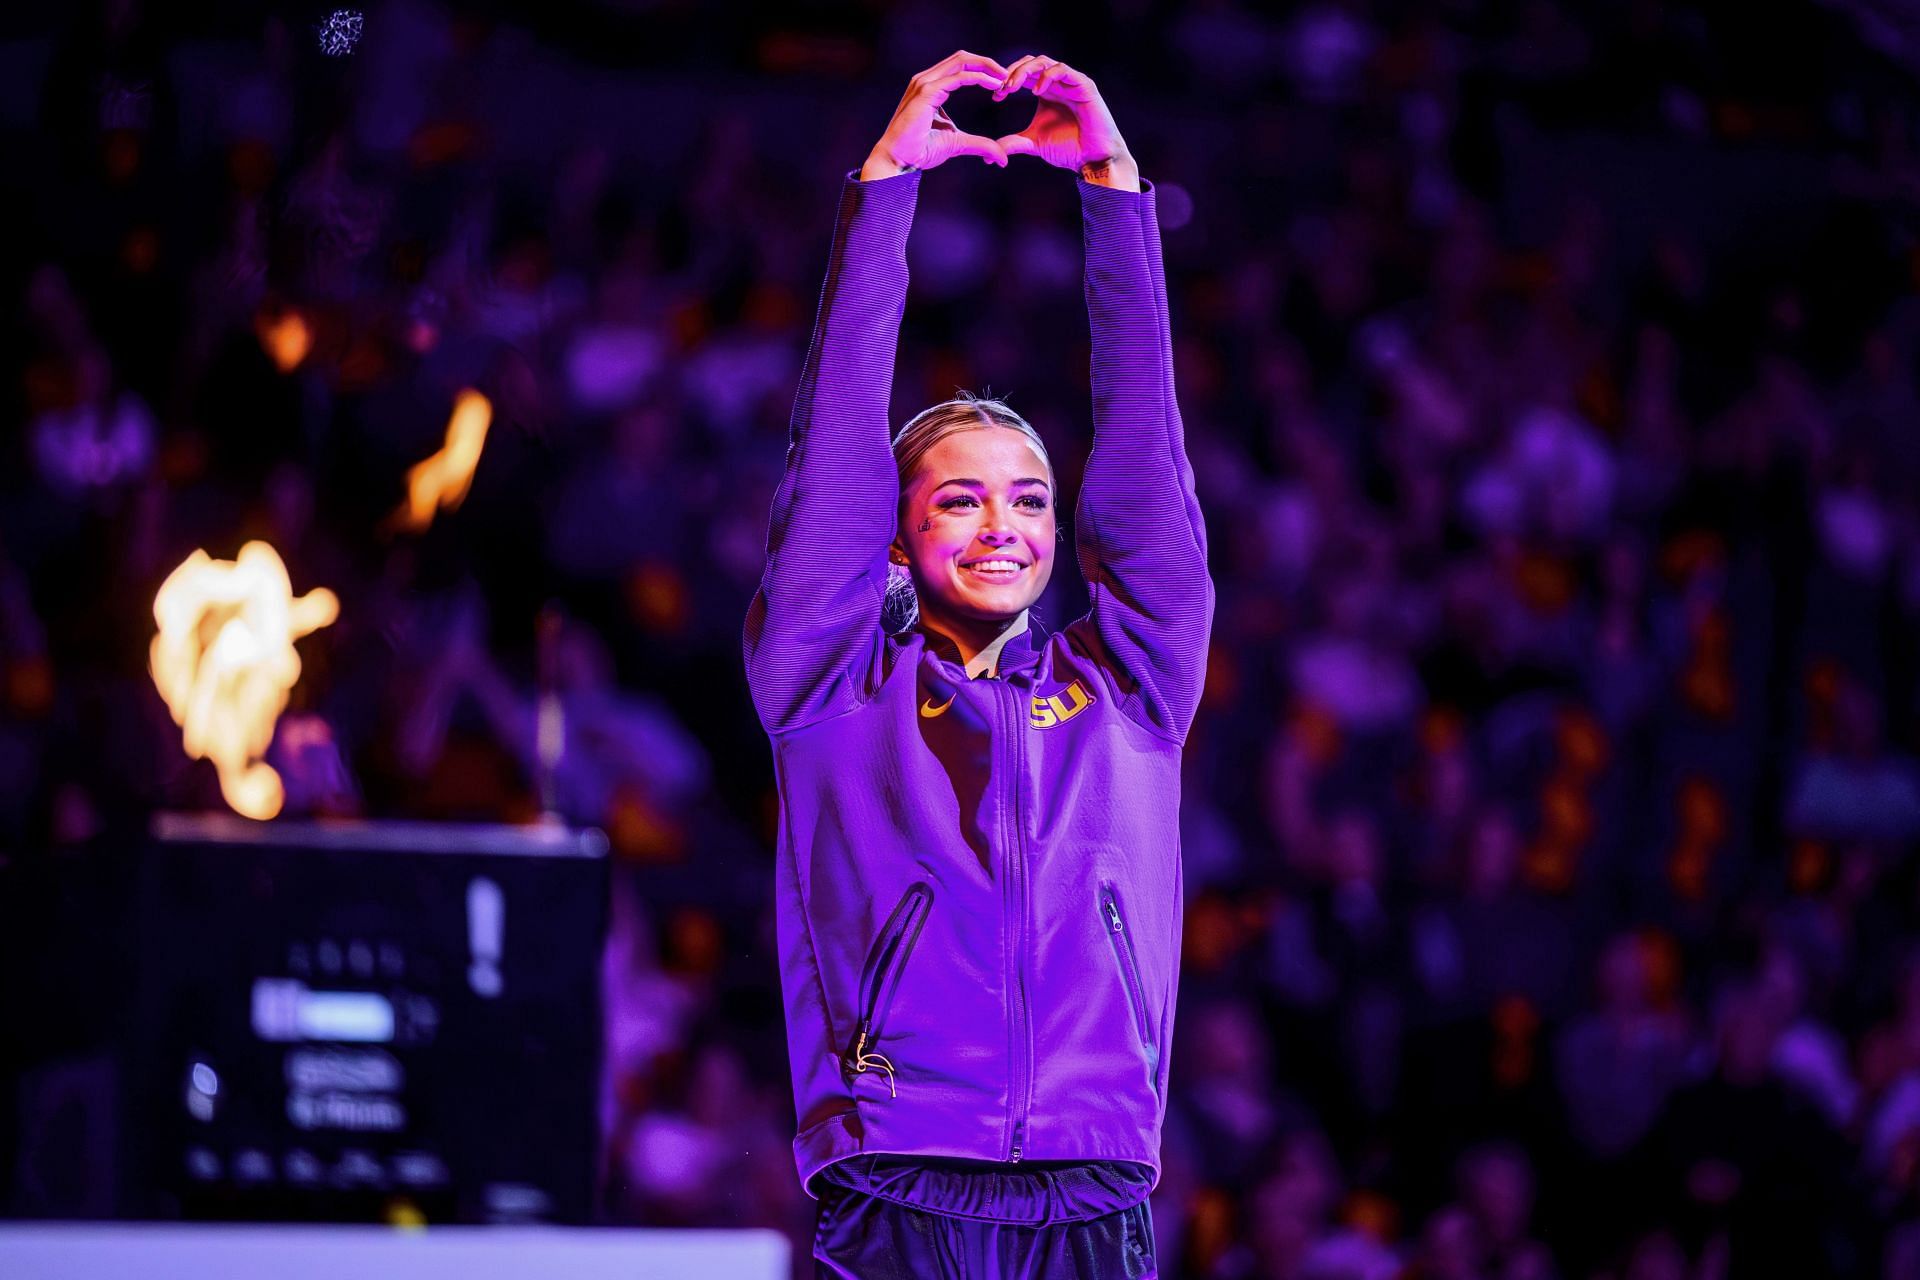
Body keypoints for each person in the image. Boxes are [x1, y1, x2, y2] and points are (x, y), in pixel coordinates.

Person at [743, 48, 1212, 1278]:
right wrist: (886, 184)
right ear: (898, 533)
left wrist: (1117, 197)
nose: (1004, 523)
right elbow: (836, 456)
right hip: (896, 1165)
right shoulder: (831, 684)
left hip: (1095, 1178)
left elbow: (1149, 467)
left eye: (1029, 499)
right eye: (960, 499)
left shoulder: (1134, 684)